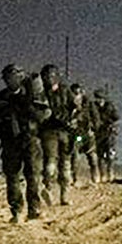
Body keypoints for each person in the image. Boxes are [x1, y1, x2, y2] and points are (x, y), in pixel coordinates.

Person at [0, 64, 46, 223]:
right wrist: (2, 114)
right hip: (10, 143)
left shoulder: (32, 95)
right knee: (12, 178)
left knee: (32, 175)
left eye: (14, 77)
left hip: (30, 140)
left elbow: (44, 114)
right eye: (8, 78)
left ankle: (34, 209)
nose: (11, 81)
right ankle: (16, 210)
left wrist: (29, 110)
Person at [38, 63, 77, 206]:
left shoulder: (65, 91)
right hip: (49, 132)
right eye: (46, 76)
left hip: (65, 132)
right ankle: (47, 188)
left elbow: (75, 108)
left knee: (66, 166)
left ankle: (64, 195)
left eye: (51, 76)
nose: (49, 79)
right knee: (50, 164)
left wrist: (72, 120)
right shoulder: (41, 94)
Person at [92, 86, 120, 180]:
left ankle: (110, 173)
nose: (99, 100)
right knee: (99, 155)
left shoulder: (110, 107)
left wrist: (112, 125)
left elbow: (117, 119)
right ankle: (102, 174)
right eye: (97, 98)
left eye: (100, 98)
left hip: (109, 133)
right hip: (98, 133)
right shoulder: (93, 107)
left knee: (110, 154)